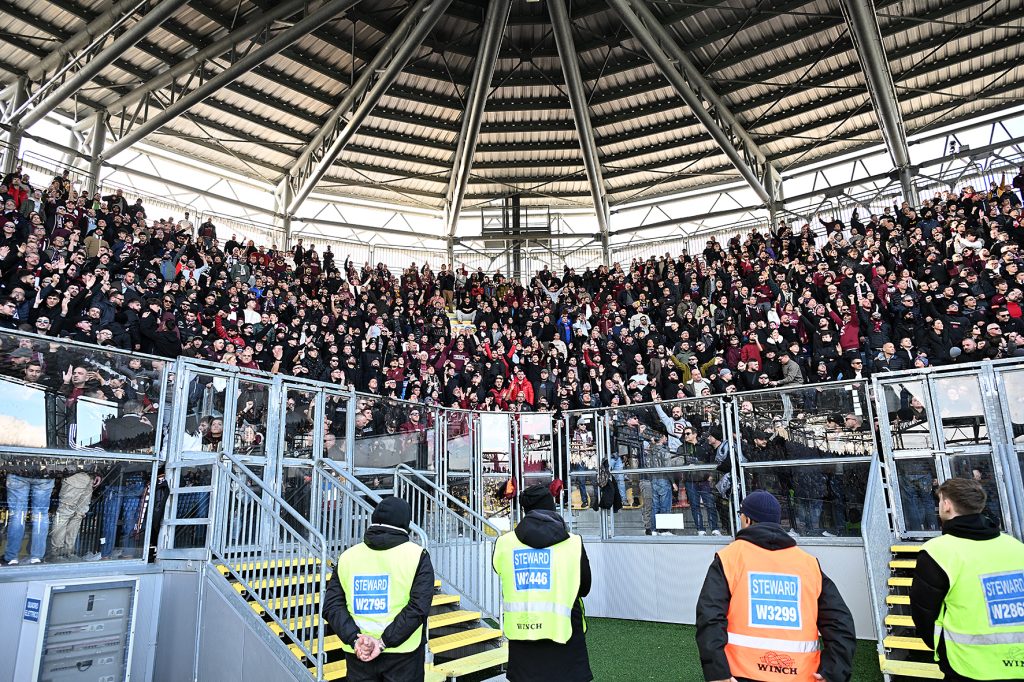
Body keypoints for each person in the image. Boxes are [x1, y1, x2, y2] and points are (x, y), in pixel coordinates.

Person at [695, 490, 856, 682]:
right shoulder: (808, 564)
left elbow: (709, 617)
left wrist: (717, 672)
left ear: (746, 519)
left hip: (741, 673)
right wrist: (833, 672)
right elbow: (841, 623)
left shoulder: (729, 558)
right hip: (802, 675)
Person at [910, 478, 1024, 682]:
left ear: (946, 505)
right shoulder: (1017, 547)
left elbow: (924, 615)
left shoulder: (937, 552)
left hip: (966, 667)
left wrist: (943, 650)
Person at [322, 497, 434, 682]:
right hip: (404, 654)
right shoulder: (416, 556)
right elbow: (418, 607)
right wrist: (383, 643)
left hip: (359, 653)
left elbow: (332, 606)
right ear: (406, 523)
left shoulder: (348, 557)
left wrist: (356, 639)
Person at [492, 484, 593, 682]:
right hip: (564, 635)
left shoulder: (504, 543)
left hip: (523, 638)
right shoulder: (573, 542)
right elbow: (585, 588)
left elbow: (500, 571)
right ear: (551, 507)